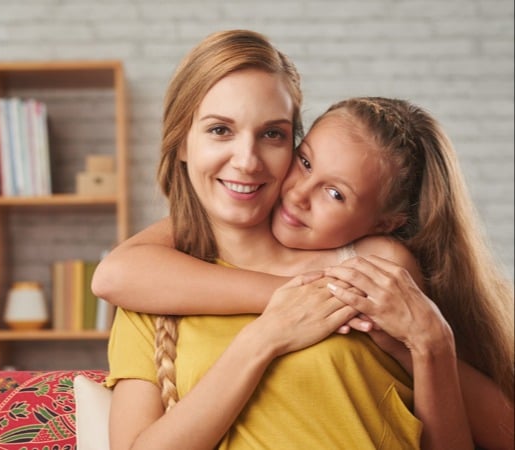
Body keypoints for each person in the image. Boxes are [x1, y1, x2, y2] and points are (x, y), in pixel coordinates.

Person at [96, 29, 508, 449]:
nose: (247, 160)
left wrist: (430, 341)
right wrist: (266, 335)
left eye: (272, 134)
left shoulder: (370, 270)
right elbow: (113, 275)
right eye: (220, 130)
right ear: (182, 142)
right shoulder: (155, 294)